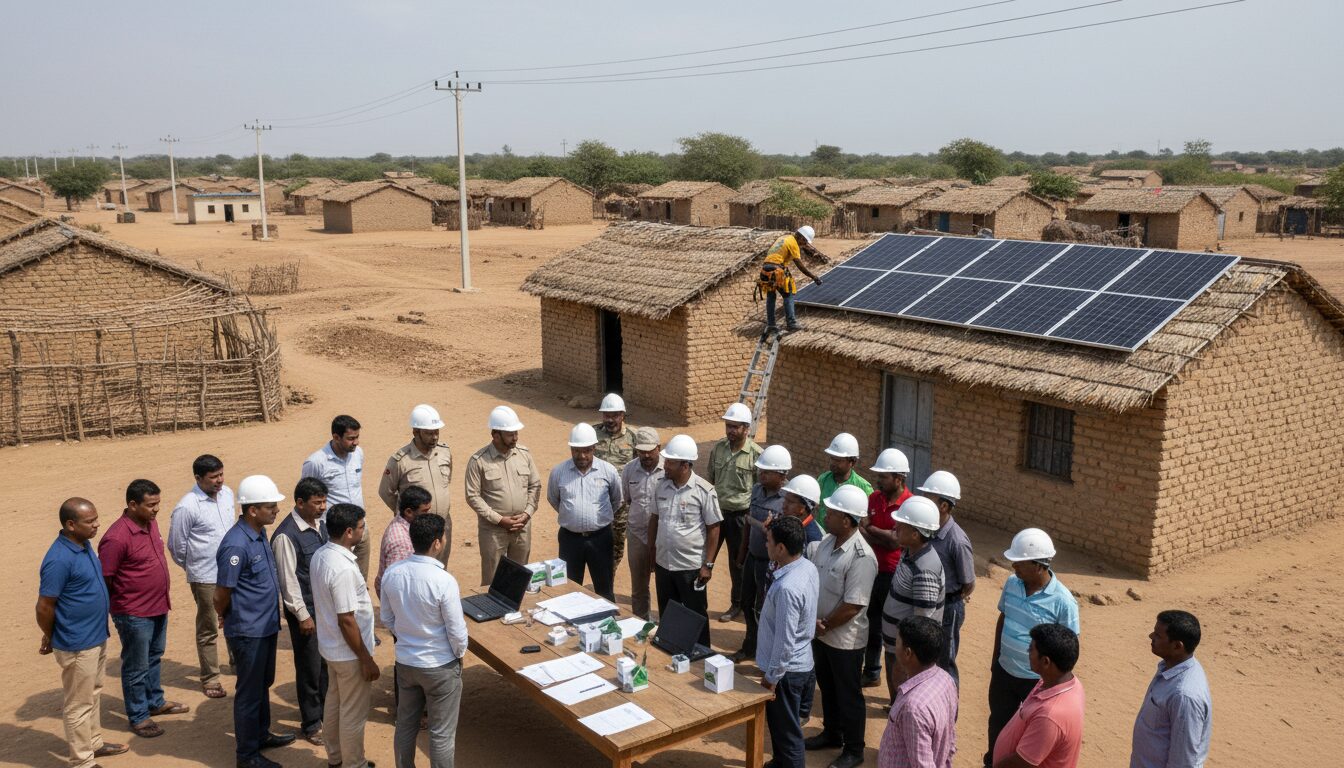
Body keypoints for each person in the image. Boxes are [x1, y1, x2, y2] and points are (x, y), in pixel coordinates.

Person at [38, 498, 128, 768]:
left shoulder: (83, 545)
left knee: (94, 693)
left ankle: (94, 743)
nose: (97, 525)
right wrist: (50, 634)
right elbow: (44, 605)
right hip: (77, 643)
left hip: (95, 636)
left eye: (96, 519)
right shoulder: (58, 559)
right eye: (90, 522)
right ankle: (82, 761)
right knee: (78, 704)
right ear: (70, 524)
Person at [215, 475, 296, 768]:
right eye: (270, 506)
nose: (276, 511)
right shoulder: (236, 545)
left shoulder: (258, 533)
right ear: (252, 510)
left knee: (263, 683)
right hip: (248, 630)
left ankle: (261, 734)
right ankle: (247, 755)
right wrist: (227, 616)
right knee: (249, 693)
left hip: (265, 626)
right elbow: (222, 592)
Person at [100, 479, 187, 739]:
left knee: (154, 656)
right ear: (132, 504)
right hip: (133, 612)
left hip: (158, 605)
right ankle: (138, 716)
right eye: (151, 505)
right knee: (136, 666)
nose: (156, 509)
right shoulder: (116, 538)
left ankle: (155, 702)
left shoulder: (150, 523)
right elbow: (106, 579)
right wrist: (120, 609)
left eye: (158, 503)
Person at [986, 529, 1080, 768]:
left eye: (1020, 563)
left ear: (1039, 566)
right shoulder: (1011, 583)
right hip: (1004, 671)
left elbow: (1068, 646)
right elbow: (1003, 618)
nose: (1013, 567)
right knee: (998, 721)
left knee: (1028, 730)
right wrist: (996, 657)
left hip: (1035, 681)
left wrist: (1050, 684)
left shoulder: (1063, 601)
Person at [381, 514, 469, 768]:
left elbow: (387, 618)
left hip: (406, 663)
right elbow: (456, 630)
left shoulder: (393, 573)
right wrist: (458, 653)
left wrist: (407, 636)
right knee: (441, 734)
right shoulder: (443, 580)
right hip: (440, 665)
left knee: (405, 726)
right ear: (437, 542)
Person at [805, 484, 878, 768]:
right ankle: (832, 733)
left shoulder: (862, 557)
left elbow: (854, 605)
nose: (826, 514)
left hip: (844, 640)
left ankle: (854, 749)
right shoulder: (826, 542)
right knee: (828, 687)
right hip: (821, 633)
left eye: (832, 512)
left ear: (847, 520)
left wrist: (824, 625)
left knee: (848, 695)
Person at [312, 503, 378, 768]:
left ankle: (336, 759)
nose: (364, 531)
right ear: (349, 532)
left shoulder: (321, 554)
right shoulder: (344, 569)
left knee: (335, 703)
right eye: (361, 527)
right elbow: (347, 619)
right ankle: (354, 764)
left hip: (332, 648)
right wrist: (366, 658)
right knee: (353, 713)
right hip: (349, 653)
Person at [167, 453, 236, 699]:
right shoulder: (187, 506)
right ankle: (211, 679)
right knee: (209, 627)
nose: (219, 481)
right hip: (205, 576)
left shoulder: (228, 494)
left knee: (236, 618)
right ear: (198, 478)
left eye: (221, 474)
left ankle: (237, 664)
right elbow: (176, 546)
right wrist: (194, 567)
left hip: (232, 571)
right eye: (213, 477)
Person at [271, 477, 330, 746]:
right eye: (317, 503)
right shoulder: (286, 535)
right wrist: (302, 614)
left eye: (324, 501)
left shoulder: (319, 525)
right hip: (307, 613)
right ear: (300, 503)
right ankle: (311, 723)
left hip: (325, 609)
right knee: (310, 668)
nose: (323, 507)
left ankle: (327, 714)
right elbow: (288, 581)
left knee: (326, 664)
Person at [756, 516, 819, 768]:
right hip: (801, 663)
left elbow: (784, 641)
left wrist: (771, 678)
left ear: (781, 548)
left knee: (787, 733)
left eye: (769, 541)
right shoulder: (807, 567)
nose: (766, 546)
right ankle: (781, 762)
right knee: (783, 728)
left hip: (787, 672)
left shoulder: (787, 588)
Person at [648, 434, 723, 648]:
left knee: (695, 615)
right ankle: (671, 650)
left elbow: (714, 528)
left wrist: (707, 565)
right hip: (664, 564)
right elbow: (654, 519)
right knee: (668, 612)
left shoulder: (704, 491)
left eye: (670, 462)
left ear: (685, 465)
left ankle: (701, 655)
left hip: (690, 568)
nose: (665, 466)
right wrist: (652, 550)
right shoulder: (661, 486)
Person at [464, 405, 541, 586]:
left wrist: (528, 513)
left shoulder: (524, 455)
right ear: (495, 435)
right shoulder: (478, 461)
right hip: (493, 530)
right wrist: (499, 519)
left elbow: (535, 485)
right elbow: (472, 496)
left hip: (522, 527)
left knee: (519, 578)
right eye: (510, 434)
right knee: (492, 580)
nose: (515, 438)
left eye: (516, 433)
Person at [546, 423, 623, 601]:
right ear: (571, 449)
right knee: (570, 589)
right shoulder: (559, 472)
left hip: (601, 538)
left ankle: (607, 624)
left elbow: (617, 500)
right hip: (570, 540)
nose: (582, 456)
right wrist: (572, 516)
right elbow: (553, 499)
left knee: (604, 589)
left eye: (587, 451)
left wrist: (597, 519)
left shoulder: (608, 471)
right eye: (577, 451)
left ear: (594, 448)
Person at [880, 496, 945, 705]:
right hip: (897, 645)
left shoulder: (925, 568)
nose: (895, 526)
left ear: (916, 534)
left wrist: (905, 656)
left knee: (905, 694)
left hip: (907, 650)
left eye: (902, 524)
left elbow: (922, 620)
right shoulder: (909, 551)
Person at [991, 624, 1085, 768]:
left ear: (1045, 662)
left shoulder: (1050, 716)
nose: (1027, 652)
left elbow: (1021, 763)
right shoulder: (1063, 682)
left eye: (1031, 650)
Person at [730, 444, 789, 663]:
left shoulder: (787, 500)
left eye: (767, 471)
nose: (761, 474)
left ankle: (766, 652)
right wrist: (742, 552)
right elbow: (748, 523)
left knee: (765, 609)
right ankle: (750, 645)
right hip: (753, 558)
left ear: (781, 475)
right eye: (760, 470)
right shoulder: (756, 490)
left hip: (771, 564)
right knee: (746, 603)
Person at [1130, 611, 1212, 768]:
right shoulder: (1169, 668)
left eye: (1158, 635)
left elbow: (1183, 762)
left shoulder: (1184, 695)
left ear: (1177, 646)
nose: (1150, 636)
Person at [860, 448, 912, 688]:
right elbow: (862, 528)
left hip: (892, 575)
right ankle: (871, 671)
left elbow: (896, 541)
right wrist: (883, 535)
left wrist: (873, 532)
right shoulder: (874, 498)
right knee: (870, 623)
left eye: (883, 476)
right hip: (870, 568)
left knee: (890, 628)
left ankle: (897, 682)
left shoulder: (909, 504)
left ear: (898, 479)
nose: (878, 480)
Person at [918, 470, 975, 687]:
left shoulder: (957, 541)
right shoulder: (927, 529)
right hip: (928, 603)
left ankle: (948, 714)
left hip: (949, 607)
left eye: (928, 498)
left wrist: (949, 597)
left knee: (945, 661)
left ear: (943, 506)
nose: (923, 501)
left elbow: (968, 583)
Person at [878, 617, 958, 768]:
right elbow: (951, 736)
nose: (894, 646)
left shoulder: (913, 708)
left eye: (897, 642)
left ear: (908, 653)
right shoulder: (946, 680)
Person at [706, 402, 760, 623]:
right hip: (716, 514)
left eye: (735, 427)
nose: (730, 431)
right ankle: (696, 599)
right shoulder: (718, 448)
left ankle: (737, 604)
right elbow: (711, 477)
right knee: (704, 558)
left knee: (737, 564)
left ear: (746, 429)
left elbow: (759, 489)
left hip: (740, 517)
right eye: (728, 426)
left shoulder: (756, 454)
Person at [380, 404, 453, 564]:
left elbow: (446, 482)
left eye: (436, 432)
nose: (434, 437)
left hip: (442, 523)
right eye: (429, 433)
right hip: (416, 529)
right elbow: (386, 491)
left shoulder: (444, 452)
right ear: (415, 432)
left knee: (440, 567)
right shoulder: (401, 460)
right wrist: (408, 514)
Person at [302, 415, 368, 579]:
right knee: (338, 578)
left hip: (361, 529)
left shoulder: (358, 454)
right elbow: (306, 497)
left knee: (360, 579)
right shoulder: (316, 462)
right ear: (336, 437)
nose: (356, 442)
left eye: (357, 437)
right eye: (351, 438)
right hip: (336, 534)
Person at [621, 427, 664, 620]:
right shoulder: (630, 469)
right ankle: (641, 624)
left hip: (664, 538)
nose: (646, 455)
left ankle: (666, 627)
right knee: (639, 587)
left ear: (659, 448)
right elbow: (628, 499)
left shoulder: (668, 469)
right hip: (637, 534)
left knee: (666, 585)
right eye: (641, 451)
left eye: (650, 450)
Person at [592, 393, 638, 571]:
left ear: (622, 415)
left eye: (614, 415)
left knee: (617, 544)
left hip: (622, 505)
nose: (610, 420)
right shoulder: (593, 433)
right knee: (596, 540)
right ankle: (601, 575)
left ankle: (609, 578)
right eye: (606, 415)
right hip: (597, 500)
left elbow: (639, 468)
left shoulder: (633, 437)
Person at [760, 225, 823, 333]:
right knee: (788, 294)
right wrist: (813, 276)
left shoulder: (784, 238)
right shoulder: (793, 243)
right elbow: (799, 264)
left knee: (771, 296)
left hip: (765, 270)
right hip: (776, 270)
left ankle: (771, 324)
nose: (805, 244)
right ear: (802, 237)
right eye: (805, 241)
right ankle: (792, 323)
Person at [376, 486, 434, 598]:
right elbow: (397, 586)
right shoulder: (402, 544)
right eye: (425, 511)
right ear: (409, 512)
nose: (428, 514)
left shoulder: (403, 522)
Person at [818, 433, 873, 517]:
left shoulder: (864, 487)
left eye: (838, 460)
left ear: (852, 462)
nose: (833, 463)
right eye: (832, 458)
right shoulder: (823, 480)